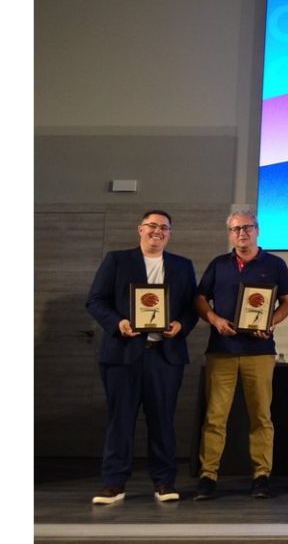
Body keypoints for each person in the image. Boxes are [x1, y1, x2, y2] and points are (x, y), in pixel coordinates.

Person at [86, 210, 198, 504]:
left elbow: (190, 307)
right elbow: (96, 300)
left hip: (165, 356)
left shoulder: (182, 266)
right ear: (140, 229)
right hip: (123, 355)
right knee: (120, 420)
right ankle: (114, 483)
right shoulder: (117, 260)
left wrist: (181, 325)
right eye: (152, 226)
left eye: (164, 227)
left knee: (163, 421)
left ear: (170, 233)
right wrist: (118, 323)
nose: (157, 231)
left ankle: (163, 482)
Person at [193, 209, 288, 500]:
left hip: (260, 352)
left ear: (257, 230)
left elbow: (286, 302)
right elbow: (200, 298)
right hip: (221, 351)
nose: (242, 233)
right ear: (230, 234)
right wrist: (214, 320)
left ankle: (261, 476)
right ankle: (208, 476)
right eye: (236, 229)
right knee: (215, 417)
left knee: (261, 416)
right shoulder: (218, 264)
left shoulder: (274, 263)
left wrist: (270, 322)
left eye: (247, 227)